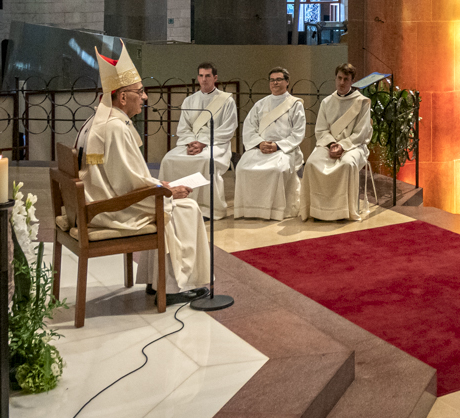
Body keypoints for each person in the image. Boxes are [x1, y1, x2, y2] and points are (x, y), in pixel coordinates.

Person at [74, 46, 209, 298]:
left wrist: (159, 184)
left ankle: (155, 280)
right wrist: (166, 191)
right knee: (185, 209)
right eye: (140, 92)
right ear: (122, 97)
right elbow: (129, 185)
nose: (145, 97)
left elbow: (124, 177)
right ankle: (174, 287)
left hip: (95, 202)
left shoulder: (97, 119)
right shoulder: (115, 127)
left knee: (168, 200)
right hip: (107, 211)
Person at [159, 62, 237, 219]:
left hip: (215, 143)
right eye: (201, 76)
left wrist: (203, 143)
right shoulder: (189, 100)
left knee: (205, 160)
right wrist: (191, 143)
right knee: (169, 159)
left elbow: (228, 129)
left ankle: (208, 209)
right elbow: (183, 128)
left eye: (208, 76)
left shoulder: (227, 101)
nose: (204, 79)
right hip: (191, 142)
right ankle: (170, 203)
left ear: (215, 78)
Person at [232, 68, 308, 220]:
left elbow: (298, 132)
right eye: (272, 80)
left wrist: (278, 146)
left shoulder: (295, 105)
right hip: (261, 147)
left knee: (277, 170)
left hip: (284, 149)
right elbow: (249, 127)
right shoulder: (260, 104)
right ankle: (249, 209)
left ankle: (275, 211)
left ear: (287, 82)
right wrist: (259, 143)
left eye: (279, 79)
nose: (275, 83)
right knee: (242, 168)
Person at [304, 63, 372, 221]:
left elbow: (361, 133)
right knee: (312, 163)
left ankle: (344, 211)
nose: (342, 82)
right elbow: (320, 130)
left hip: (353, 146)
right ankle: (317, 209)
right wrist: (331, 145)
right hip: (328, 144)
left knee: (347, 164)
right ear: (335, 79)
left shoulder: (362, 103)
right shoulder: (327, 102)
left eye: (346, 79)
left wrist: (342, 146)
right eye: (339, 78)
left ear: (352, 81)